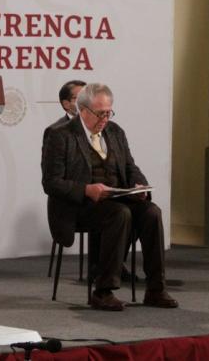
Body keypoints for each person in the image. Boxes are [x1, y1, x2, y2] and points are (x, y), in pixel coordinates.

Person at [41, 83, 178, 311]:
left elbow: (129, 166)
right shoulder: (59, 135)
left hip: (116, 199)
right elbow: (51, 182)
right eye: (100, 113)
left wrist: (139, 184)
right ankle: (103, 291)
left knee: (152, 212)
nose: (105, 118)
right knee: (120, 214)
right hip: (79, 206)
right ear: (82, 110)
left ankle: (155, 289)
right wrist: (86, 189)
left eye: (108, 112)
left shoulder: (115, 132)